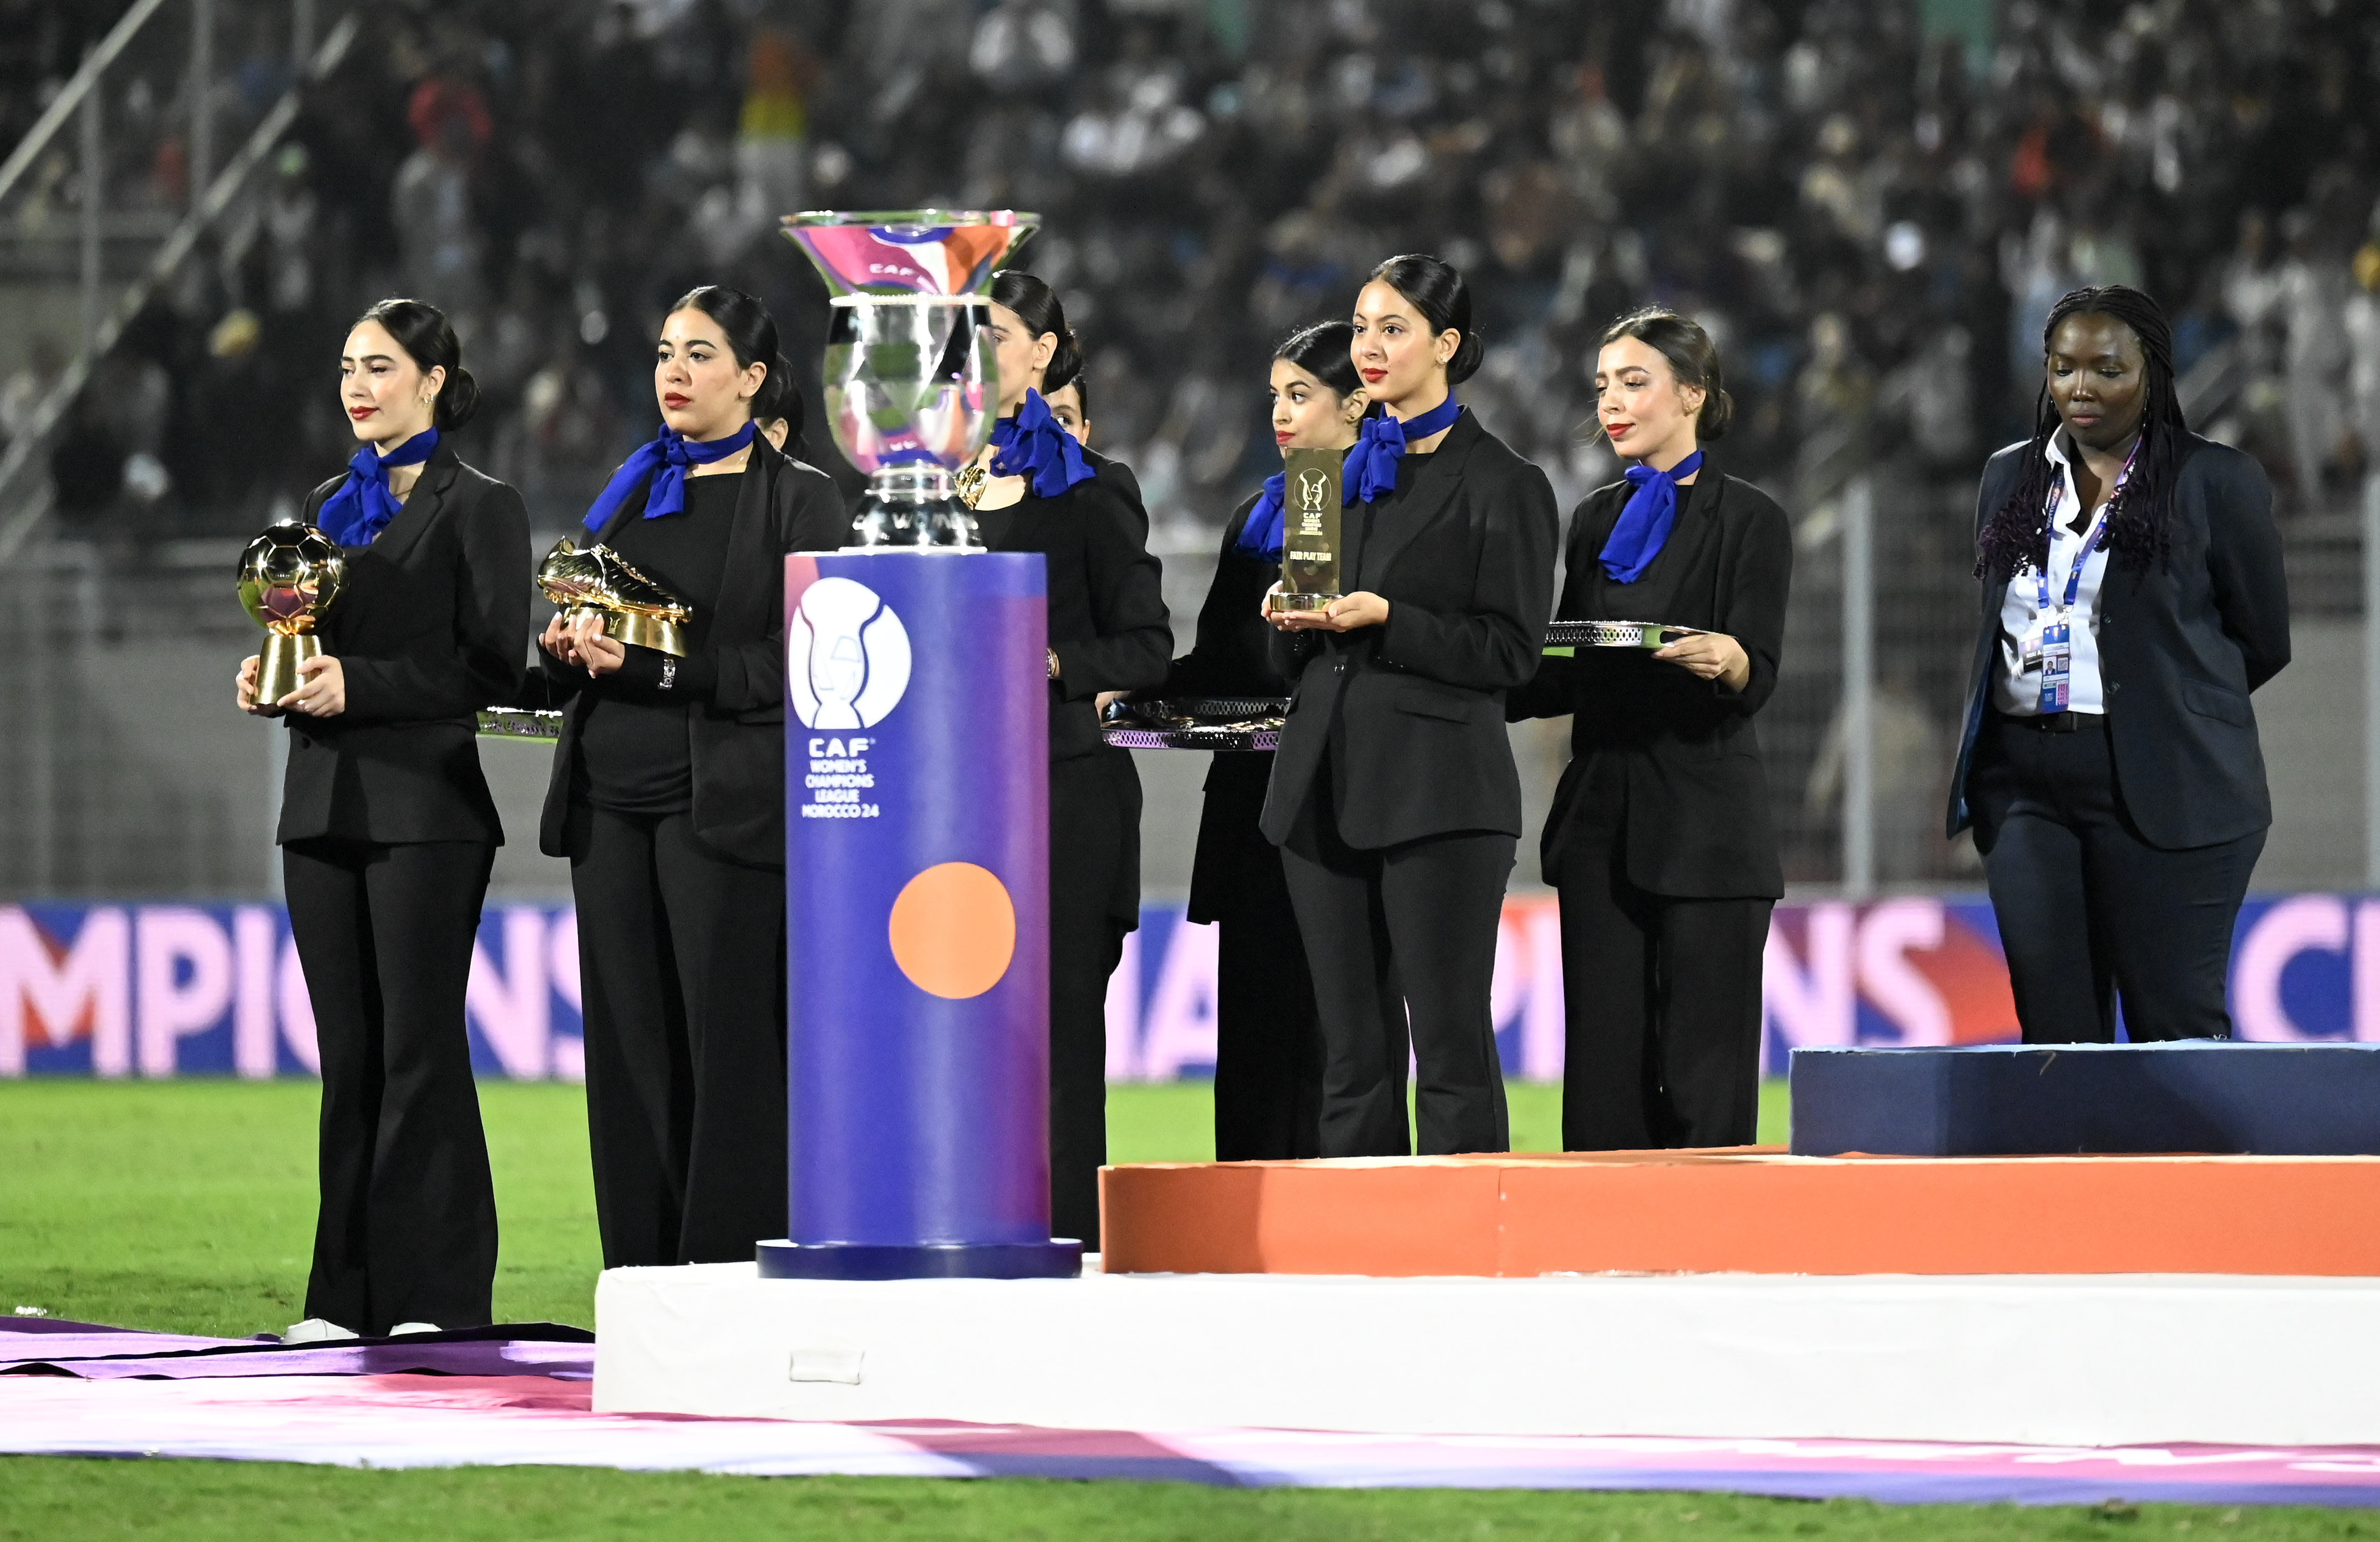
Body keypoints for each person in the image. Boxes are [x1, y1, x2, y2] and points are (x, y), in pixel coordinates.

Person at [534, 286, 846, 1268]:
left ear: (752, 379)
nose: (675, 370)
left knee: (729, 1053)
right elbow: (585, 628)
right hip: (606, 802)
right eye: (667, 351)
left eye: (700, 354)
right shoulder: (629, 488)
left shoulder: (801, 497)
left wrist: (666, 669)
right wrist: (563, 646)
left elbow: (805, 661)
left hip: (722, 810)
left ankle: (725, 1276)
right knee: (629, 1057)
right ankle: (641, 1280)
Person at [235, 298, 527, 1341]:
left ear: (434, 380)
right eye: (348, 369)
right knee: (350, 1055)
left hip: (426, 812)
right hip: (320, 807)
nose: (357, 387)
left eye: (380, 367)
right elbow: (308, 643)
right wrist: (273, 678)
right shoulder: (325, 504)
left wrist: (357, 685)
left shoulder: (482, 504)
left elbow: (491, 668)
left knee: (420, 1052)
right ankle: (343, 1299)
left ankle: (435, 1297)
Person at [1262, 255, 1559, 1157]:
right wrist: (1287, 615)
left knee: (1450, 1049)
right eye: (1362, 328)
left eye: (1393, 328)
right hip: (1320, 790)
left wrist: (1390, 618)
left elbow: (1511, 654)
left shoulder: (1505, 482)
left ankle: (1470, 1233)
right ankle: (1361, 1236)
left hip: (1441, 797)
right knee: (1350, 1057)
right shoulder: (1322, 479)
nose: (1371, 346)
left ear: (1447, 344)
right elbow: (1294, 662)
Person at [1947, 284, 2289, 1042]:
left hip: (2167, 779)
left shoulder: (2214, 480)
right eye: (2063, 367)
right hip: (2023, 784)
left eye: (2108, 369)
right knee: (2056, 1034)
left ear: (2152, 373)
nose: (2082, 387)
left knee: (2174, 1025)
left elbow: (2264, 640)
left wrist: (2162, 703)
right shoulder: (2009, 477)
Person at [1506, 309, 1791, 1151]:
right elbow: (1564, 664)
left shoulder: (1753, 518)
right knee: (1604, 1078)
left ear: (1693, 395)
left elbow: (1757, 668)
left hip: (1708, 827)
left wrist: (1732, 660)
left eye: (1634, 383)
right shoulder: (1594, 518)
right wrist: (1467, 662)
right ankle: (1602, 1231)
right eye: (1603, 387)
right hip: (1602, 826)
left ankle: (1712, 1231)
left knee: (1708, 1076)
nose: (1612, 403)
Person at [958, 270, 1169, 1249]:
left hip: (1061, 791)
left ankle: (1071, 1247)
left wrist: (1046, 661)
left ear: (1043, 352)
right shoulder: (943, 486)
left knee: (1058, 1043)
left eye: (995, 334)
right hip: (957, 799)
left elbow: (1146, 645)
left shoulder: (1093, 487)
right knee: (969, 1037)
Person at [1160, 322, 1362, 1159]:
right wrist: (1125, 685)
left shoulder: (1372, 505)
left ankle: (1328, 1214)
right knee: (1249, 1035)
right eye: (1275, 395)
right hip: (1250, 806)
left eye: (1300, 395)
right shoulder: (1258, 514)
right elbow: (1216, 659)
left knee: (1328, 1038)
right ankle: (1242, 1212)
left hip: (1336, 803)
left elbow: (1314, 663)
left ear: (1356, 406)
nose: (1279, 413)